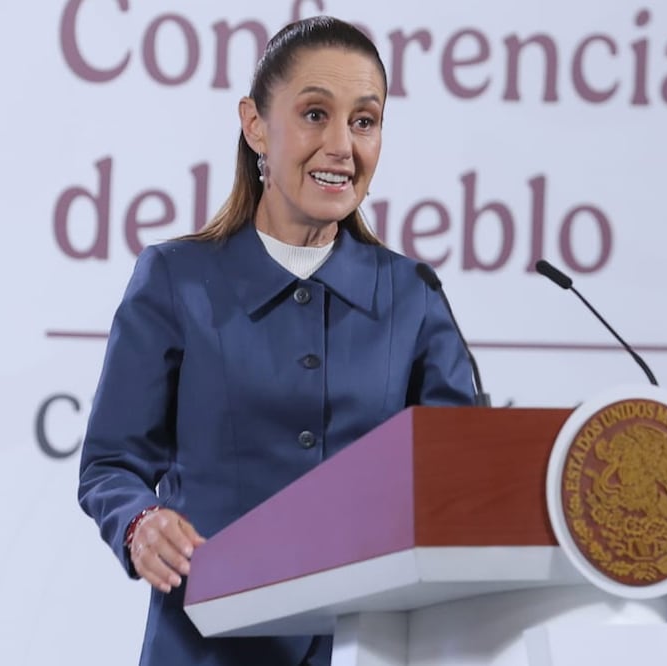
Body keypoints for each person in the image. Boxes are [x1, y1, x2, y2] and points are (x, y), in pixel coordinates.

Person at [78, 15, 475, 666]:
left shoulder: (412, 296)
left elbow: (461, 476)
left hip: (366, 647)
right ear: (255, 124)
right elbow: (110, 464)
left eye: (364, 121)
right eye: (315, 114)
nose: (342, 145)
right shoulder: (177, 280)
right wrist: (139, 523)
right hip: (205, 647)